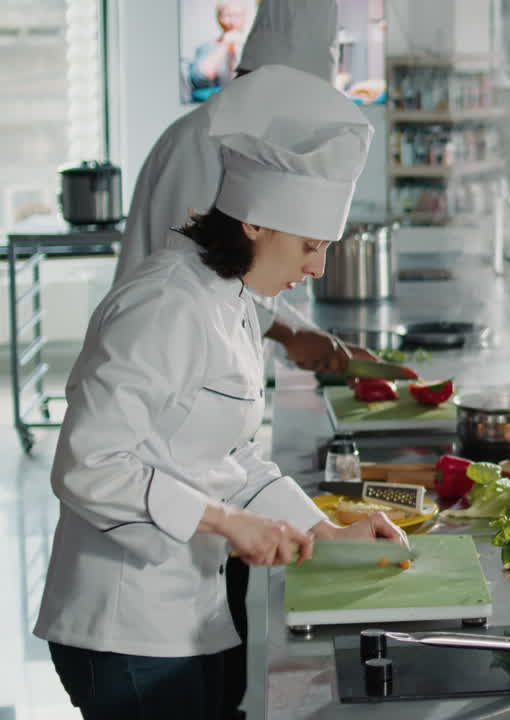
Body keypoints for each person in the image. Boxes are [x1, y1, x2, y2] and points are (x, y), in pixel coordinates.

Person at [33, 65, 405, 719]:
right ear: (256, 225)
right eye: (312, 246)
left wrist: (329, 530)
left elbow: (228, 461)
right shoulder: (163, 304)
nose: (317, 267)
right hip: (125, 627)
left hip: (188, 612)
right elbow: (88, 464)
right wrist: (227, 522)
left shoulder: (230, 298)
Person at [124, 0, 373, 376]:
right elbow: (193, 272)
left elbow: (239, 269)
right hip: (158, 362)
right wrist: (289, 332)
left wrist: (300, 331)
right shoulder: (200, 140)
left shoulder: (253, 138)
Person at [189, 1, 249, 101]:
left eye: (237, 16)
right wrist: (225, 44)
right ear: (219, 17)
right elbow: (201, 78)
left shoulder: (250, 46)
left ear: (244, 18)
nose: (232, 21)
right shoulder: (207, 47)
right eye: (227, 15)